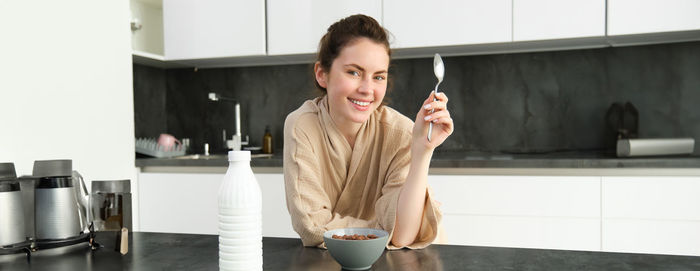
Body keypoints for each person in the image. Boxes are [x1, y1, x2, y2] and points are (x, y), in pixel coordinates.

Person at [283, 14, 453, 249]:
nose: (367, 89)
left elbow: (403, 237)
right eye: (353, 72)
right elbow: (311, 226)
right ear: (322, 73)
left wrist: (423, 149)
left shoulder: (403, 132)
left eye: (378, 77)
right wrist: (386, 230)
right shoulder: (302, 126)